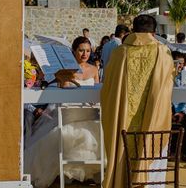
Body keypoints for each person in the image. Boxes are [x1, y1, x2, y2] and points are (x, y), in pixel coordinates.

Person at [101, 14, 174, 188]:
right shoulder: (162, 52)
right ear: (154, 32)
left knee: (123, 144)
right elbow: (169, 79)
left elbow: (108, 84)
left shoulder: (121, 52)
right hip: (152, 118)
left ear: (133, 30)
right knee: (152, 141)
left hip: (123, 119)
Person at [25, 36, 101, 188]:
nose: (84, 54)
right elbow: (64, 91)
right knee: (62, 132)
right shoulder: (67, 70)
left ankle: (89, 172)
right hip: (69, 109)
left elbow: (96, 92)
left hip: (89, 110)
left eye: (87, 51)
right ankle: (62, 171)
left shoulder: (94, 69)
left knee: (92, 133)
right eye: (81, 50)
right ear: (73, 51)